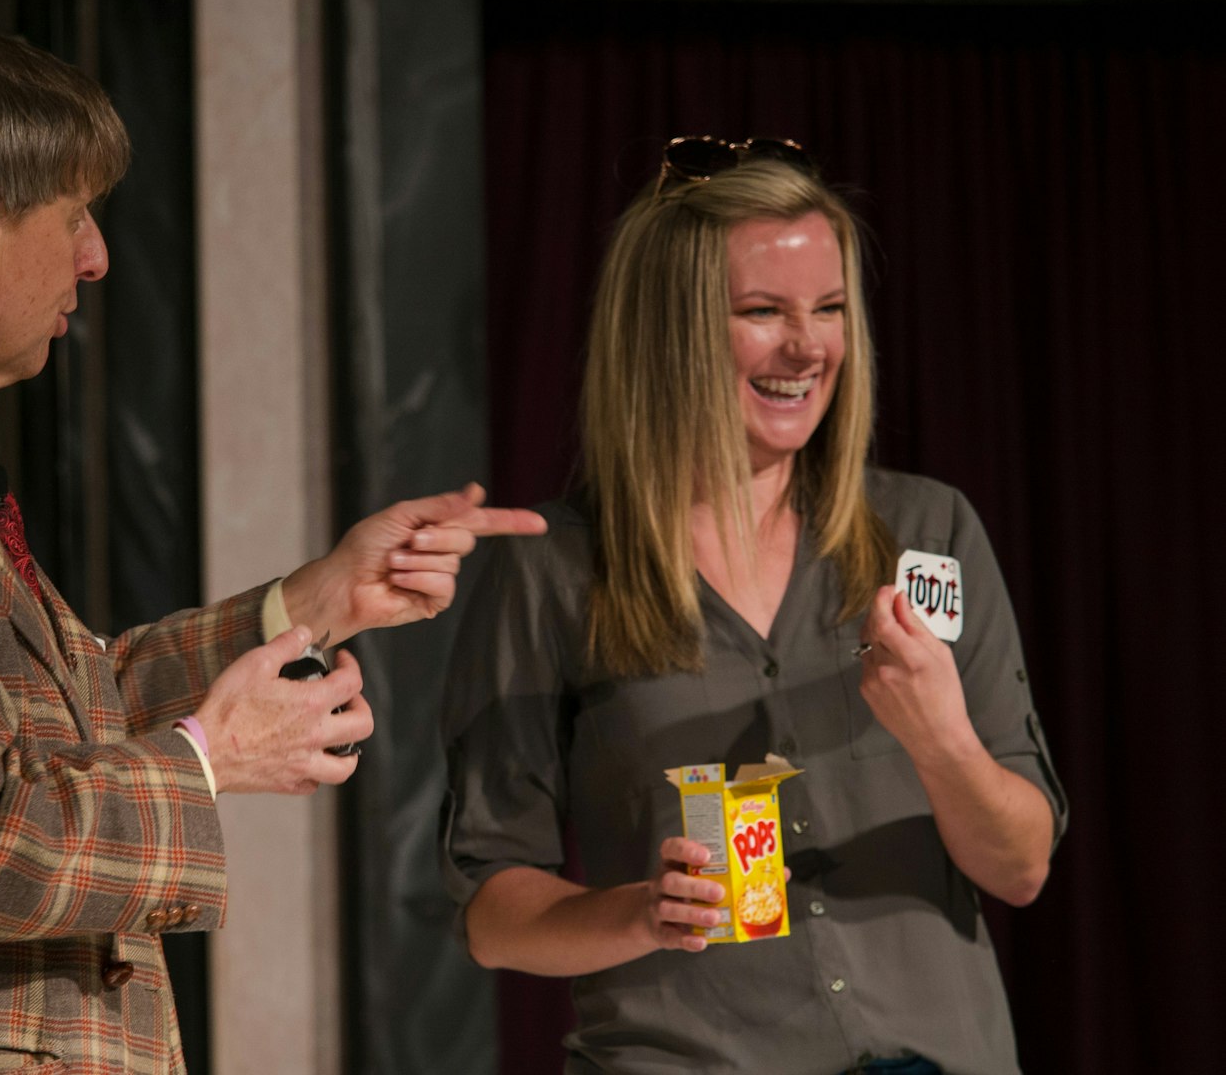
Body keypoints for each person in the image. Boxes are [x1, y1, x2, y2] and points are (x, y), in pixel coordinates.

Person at [0, 20, 544, 1075]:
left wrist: (319, 600)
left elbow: (62, 714)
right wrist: (214, 759)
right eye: (75, 214)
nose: (99, 255)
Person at [440, 137, 1067, 1074]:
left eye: (829, 310)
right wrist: (638, 913)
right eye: (763, 312)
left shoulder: (926, 530)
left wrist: (942, 739)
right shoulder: (553, 569)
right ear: (671, 332)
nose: (807, 346)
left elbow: (1021, 868)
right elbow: (492, 914)